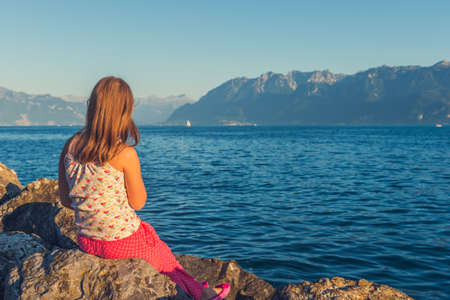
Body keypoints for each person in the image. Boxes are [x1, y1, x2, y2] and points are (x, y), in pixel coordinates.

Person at [58, 76, 230, 300]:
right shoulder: (123, 154)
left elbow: (65, 200)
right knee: (162, 254)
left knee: (152, 241)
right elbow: (138, 202)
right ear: (123, 112)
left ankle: (194, 287)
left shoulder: (70, 146)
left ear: (93, 107)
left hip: (87, 241)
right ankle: (203, 293)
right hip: (118, 244)